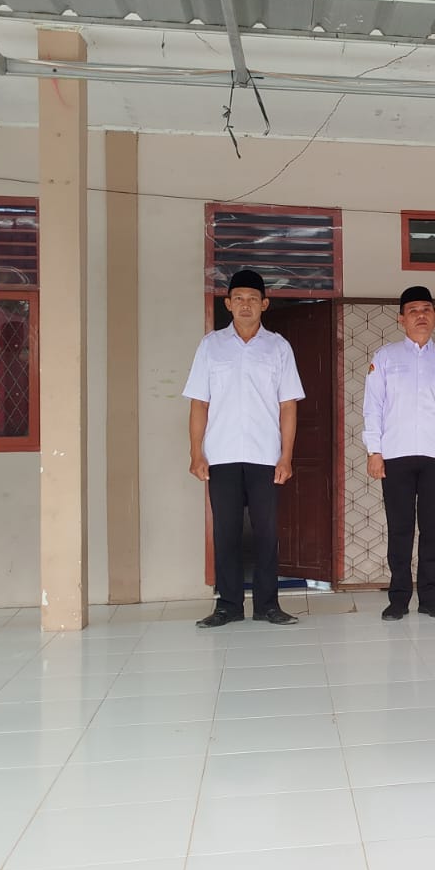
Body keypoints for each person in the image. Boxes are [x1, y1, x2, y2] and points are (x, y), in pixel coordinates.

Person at [184, 268, 304, 626]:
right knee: (226, 531)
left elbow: (288, 405)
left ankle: (268, 604)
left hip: (266, 455)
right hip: (220, 454)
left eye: (253, 299)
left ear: (264, 304)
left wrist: (286, 456)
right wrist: (196, 452)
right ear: (228, 304)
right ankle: (229, 604)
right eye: (239, 299)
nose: (246, 305)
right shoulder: (211, 346)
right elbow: (198, 404)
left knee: (267, 532)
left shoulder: (279, 347)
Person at [363, 285, 435, 620]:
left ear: (434, 316)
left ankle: (429, 597)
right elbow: (373, 408)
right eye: (413, 310)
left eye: (427, 309)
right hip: (395, 455)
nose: (421, 315)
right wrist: (374, 450)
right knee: (399, 528)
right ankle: (398, 599)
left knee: (432, 527)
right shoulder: (384, 358)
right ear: (401, 319)